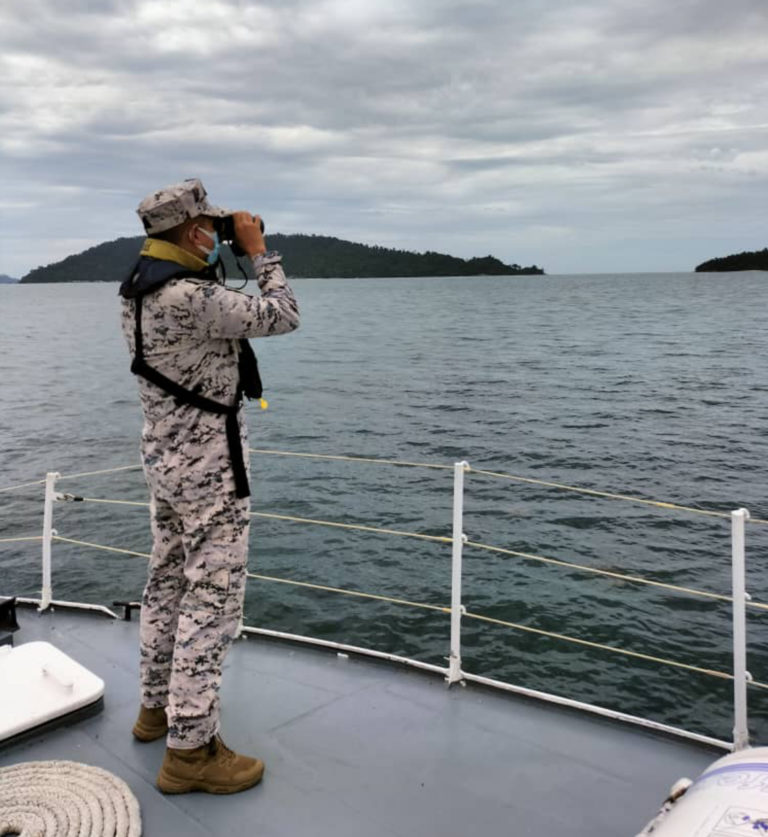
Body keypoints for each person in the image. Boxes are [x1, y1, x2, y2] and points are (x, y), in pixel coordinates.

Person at [119, 178, 299, 794]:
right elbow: (282, 314)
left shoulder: (139, 291)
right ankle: (190, 749)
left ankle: (154, 709)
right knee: (211, 599)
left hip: (166, 462)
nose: (219, 234)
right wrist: (258, 253)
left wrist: (219, 255)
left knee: (168, 581)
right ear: (193, 232)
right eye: (212, 228)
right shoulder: (190, 297)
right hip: (211, 471)